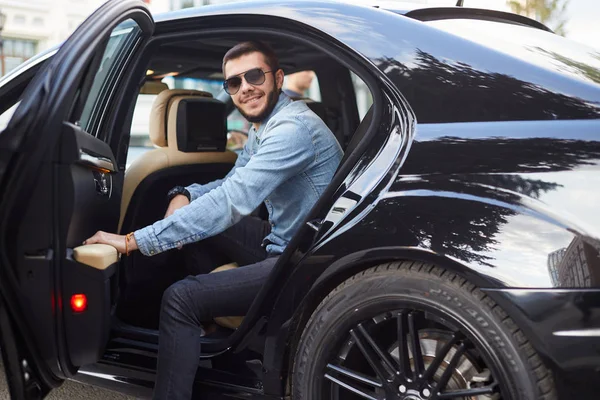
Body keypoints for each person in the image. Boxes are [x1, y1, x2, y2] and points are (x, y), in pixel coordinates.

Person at [84, 41, 343, 400]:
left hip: (302, 264)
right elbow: (230, 183)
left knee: (180, 298)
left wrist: (132, 241)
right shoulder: (265, 125)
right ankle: (208, 324)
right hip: (289, 241)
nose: (245, 88)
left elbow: (232, 201)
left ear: (278, 77)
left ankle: (194, 324)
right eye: (233, 83)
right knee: (198, 224)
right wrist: (186, 193)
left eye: (254, 76)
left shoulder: (292, 130)